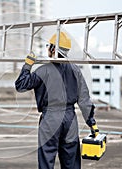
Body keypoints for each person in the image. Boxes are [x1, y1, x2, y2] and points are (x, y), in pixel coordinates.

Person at [15, 32, 98, 169]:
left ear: (54, 49)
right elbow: (84, 99)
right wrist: (92, 123)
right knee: (71, 162)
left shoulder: (43, 71)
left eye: (49, 46)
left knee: (46, 161)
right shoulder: (75, 70)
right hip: (70, 119)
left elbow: (20, 85)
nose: (47, 49)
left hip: (50, 119)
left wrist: (28, 65)